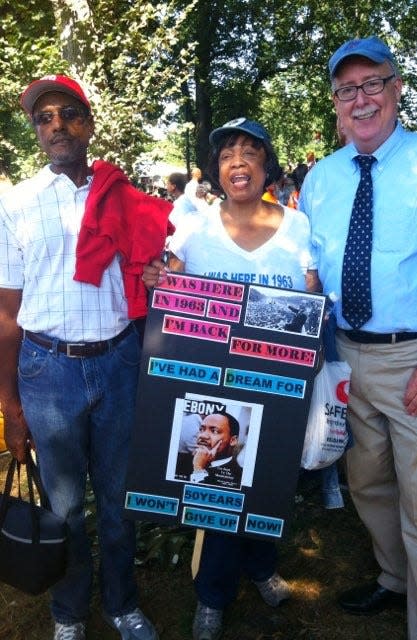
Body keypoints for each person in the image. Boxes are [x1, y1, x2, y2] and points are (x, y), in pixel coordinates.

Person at [299, 36, 417, 640]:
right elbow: (307, 268)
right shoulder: (321, 178)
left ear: (397, 87)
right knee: (367, 482)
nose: (362, 99)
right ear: (335, 103)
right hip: (346, 358)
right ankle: (393, 579)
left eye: (373, 82)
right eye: (347, 89)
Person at [0, 75, 173, 640]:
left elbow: (159, 267)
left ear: (88, 123)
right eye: (43, 118)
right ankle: (70, 611)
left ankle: (122, 604)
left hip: (120, 362)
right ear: (35, 131)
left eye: (67, 113)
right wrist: (9, 402)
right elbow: (6, 312)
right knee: (65, 505)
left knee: (121, 500)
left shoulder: (125, 196)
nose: (55, 125)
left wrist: (161, 269)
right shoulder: (15, 203)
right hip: (47, 372)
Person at [143, 116, 320, 640]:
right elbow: (171, 285)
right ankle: (213, 597)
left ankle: (262, 567)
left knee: (266, 482)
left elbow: (309, 291)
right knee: (221, 484)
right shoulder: (195, 228)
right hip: (211, 383)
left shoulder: (298, 225)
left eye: (249, 152)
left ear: (267, 164)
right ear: (217, 170)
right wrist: (161, 278)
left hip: (275, 384)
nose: (238, 162)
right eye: (226, 155)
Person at [175, 411, 243, 489]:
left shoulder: (239, 477)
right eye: (201, 429)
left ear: (233, 440)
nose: (202, 435)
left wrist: (198, 469)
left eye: (214, 431)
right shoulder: (181, 461)